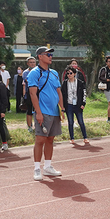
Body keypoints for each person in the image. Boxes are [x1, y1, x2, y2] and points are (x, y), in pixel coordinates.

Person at [29, 46, 65, 181]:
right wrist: (38, 113)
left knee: (50, 139)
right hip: (43, 112)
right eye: (48, 54)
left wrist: (62, 109)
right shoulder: (34, 73)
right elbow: (33, 94)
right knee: (40, 139)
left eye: (51, 55)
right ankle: (37, 168)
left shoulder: (54, 73)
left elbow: (59, 92)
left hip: (54, 112)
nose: (51, 57)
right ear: (40, 56)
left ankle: (48, 167)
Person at [61, 66, 89, 144]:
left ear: (74, 74)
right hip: (69, 105)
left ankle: (85, 137)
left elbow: (84, 94)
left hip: (78, 105)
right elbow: (62, 95)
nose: (69, 75)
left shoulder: (80, 83)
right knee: (70, 122)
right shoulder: (65, 83)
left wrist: (83, 104)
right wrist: (63, 106)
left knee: (81, 121)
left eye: (71, 73)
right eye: (68, 73)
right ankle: (72, 138)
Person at [99, 56, 110, 123]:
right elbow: (101, 78)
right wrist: (109, 80)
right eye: (109, 61)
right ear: (106, 62)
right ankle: (109, 119)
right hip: (107, 88)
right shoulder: (104, 69)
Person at [23, 56, 37, 132]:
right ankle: (29, 126)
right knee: (29, 111)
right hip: (29, 93)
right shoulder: (25, 72)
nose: (32, 64)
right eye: (31, 62)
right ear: (27, 63)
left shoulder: (39, 71)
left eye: (33, 62)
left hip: (38, 93)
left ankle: (38, 125)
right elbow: (29, 81)